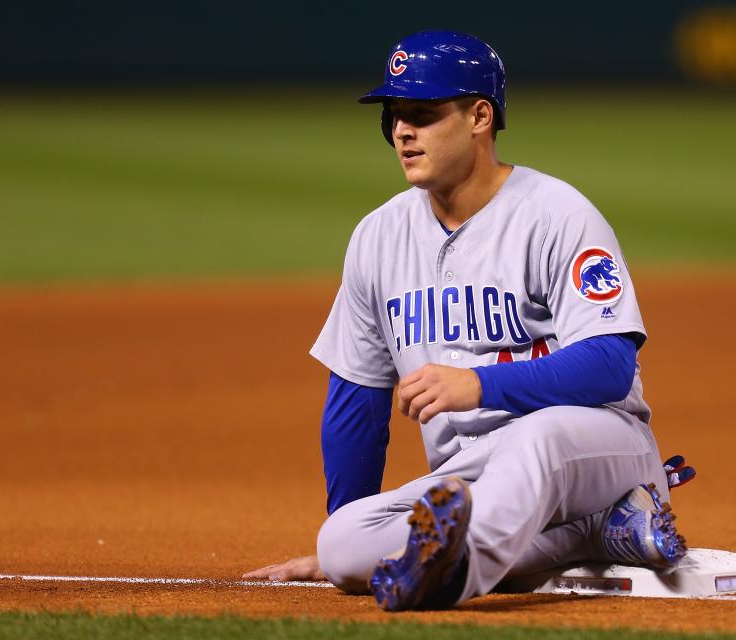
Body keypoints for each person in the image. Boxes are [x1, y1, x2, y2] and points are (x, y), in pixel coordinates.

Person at [244, 30, 687, 611]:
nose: (402, 131)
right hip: (477, 475)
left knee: (537, 435)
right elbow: (356, 398)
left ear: (480, 116)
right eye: (395, 116)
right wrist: (347, 547)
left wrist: (479, 385)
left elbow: (609, 364)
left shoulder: (556, 215)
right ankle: (599, 530)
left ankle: (455, 574)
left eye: (423, 114)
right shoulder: (378, 237)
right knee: (341, 544)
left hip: (596, 447)